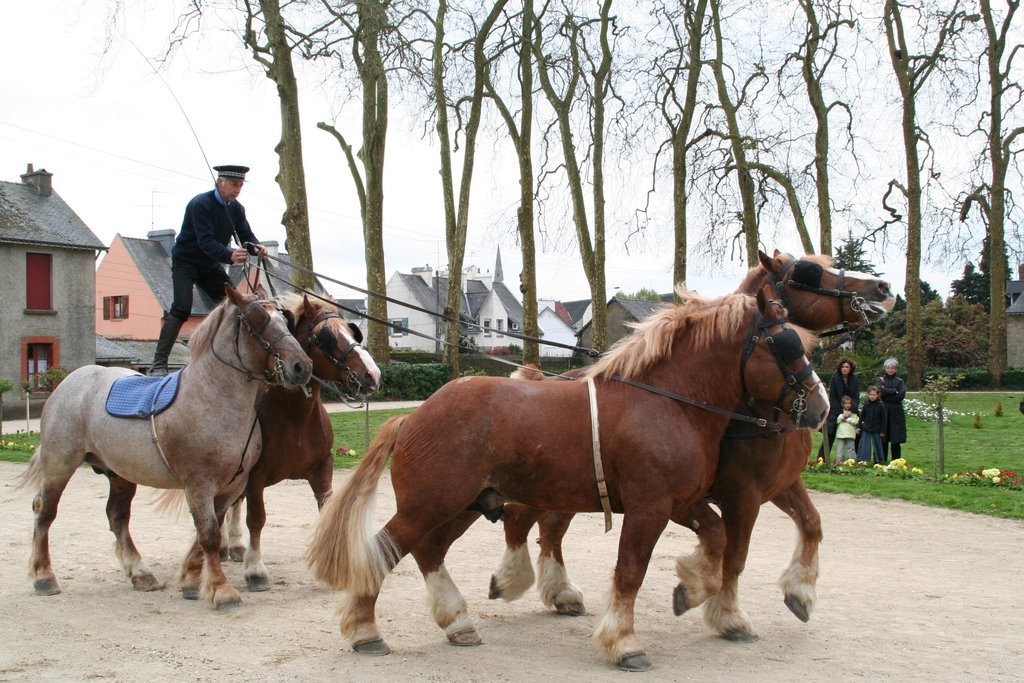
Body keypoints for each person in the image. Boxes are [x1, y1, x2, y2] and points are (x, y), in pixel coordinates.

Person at [149, 165, 268, 376]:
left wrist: (256, 247)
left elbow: (246, 236)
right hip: (186, 262)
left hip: (210, 265)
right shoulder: (200, 204)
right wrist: (229, 255)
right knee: (181, 308)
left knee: (236, 304)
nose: (238, 190)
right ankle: (158, 364)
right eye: (234, 184)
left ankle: (230, 356)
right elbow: (206, 241)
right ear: (220, 181)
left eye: (240, 186)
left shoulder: (236, 209)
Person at [818, 357, 860, 460]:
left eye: (847, 367)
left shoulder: (853, 379)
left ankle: (858, 460)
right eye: (843, 366)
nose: (844, 368)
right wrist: (842, 412)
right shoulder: (835, 378)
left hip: (851, 410)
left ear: (851, 368)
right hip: (836, 409)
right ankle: (821, 459)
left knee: (857, 434)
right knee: (830, 433)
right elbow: (833, 397)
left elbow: (856, 396)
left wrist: (850, 410)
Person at [877, 357, 907, 462]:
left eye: (892, 368)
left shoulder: (900, 381)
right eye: (888, 368)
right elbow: (879, 391)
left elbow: (901, 396)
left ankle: (896, 461)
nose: (890, 370)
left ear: (895, 369)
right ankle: (882, 460)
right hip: (884, 411)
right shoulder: (881, 380)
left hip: (896, 412)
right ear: (885, 369)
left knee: (896, 438)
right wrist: (894, 391)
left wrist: (887, 393)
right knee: (883, 437)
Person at [857, 386, 886, 464]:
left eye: (874, 394)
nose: (872, 396)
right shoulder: (866, 404)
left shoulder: (881, 406)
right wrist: (859, 427)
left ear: (877, 395)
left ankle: (879, 460)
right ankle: (863, 460)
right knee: (864, 445)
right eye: (870, 394)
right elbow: (862, 416)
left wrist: (883, 430)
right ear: (868, 395)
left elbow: (884, 419)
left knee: (877, 445)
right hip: (867, 428)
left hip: (877, 428)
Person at [833, 395, 859, 461]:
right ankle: (839, 462)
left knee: (851, 449)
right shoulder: (840, 413)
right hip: (841, 434)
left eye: (849, 403)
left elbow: (856, 421)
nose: (847, 405)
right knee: (840, 449)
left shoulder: (854, 414)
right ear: (843, 404)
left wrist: (848, 419)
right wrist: (843, 416)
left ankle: (852, 462)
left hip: (850, 434)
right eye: (846, 403)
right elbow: (837, 420)